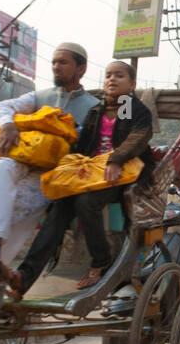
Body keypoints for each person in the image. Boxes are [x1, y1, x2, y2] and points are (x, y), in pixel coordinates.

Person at [9, 61, 155, 297]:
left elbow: (135, 136)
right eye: (108, 75)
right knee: (59, 209)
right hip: (90, 174)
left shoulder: (129, 106)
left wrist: (115, 160)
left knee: (85, 202)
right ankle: (23, 279)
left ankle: (101, 261)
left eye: (119, 76)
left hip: (122, 177)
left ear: (132, 84)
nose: (112, 80)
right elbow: (84, 145)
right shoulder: (96, 111)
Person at [0, 42, 100, 265]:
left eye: (63, 62)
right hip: (24, 159)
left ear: (81, 68)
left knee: (24, 206)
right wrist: (8, 126)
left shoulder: (94, 106)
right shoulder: (38, 97)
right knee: (4, 166)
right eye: (54, 62)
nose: (56, 67)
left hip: (54, 173)